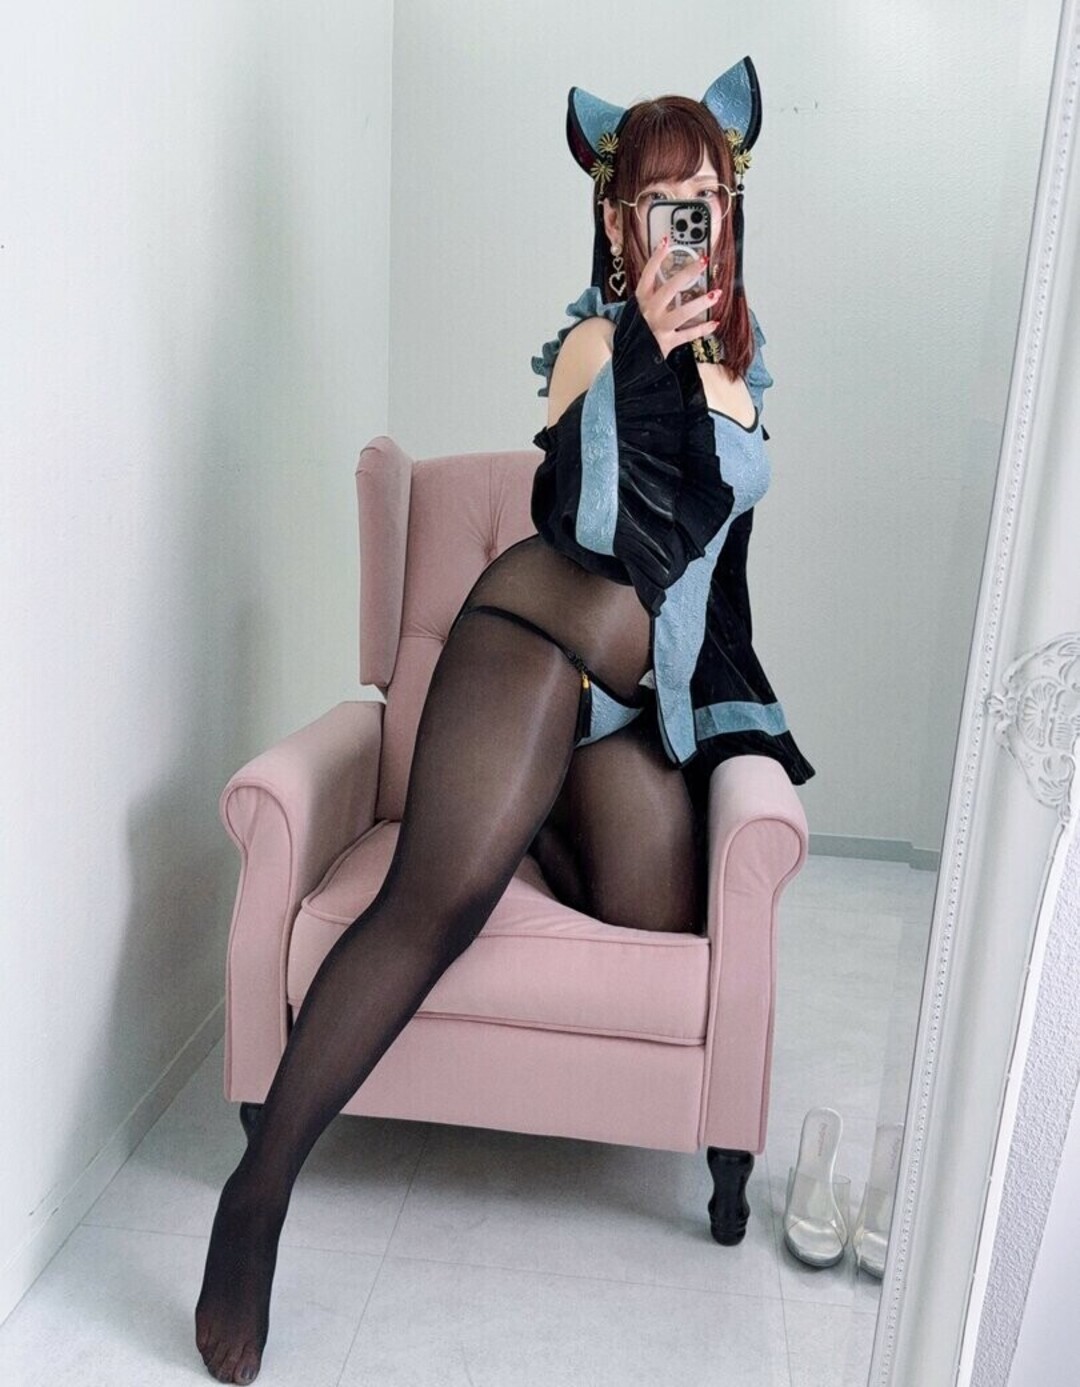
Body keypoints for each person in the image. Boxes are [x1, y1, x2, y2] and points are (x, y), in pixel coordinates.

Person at [194, 55, 814, 1384]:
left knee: (655, 904)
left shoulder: (750, 368)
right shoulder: (595, 344)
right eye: (658, 203)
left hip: (624, 712)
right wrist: (645, 350)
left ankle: (526, 810)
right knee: (438, 899)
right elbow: (595, 528)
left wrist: (724, 723)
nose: (686, 225)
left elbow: (713, 581)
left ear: (732, 209)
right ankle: (258, 1197)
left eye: (706, 200)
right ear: (617, 223)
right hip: (533, 634)